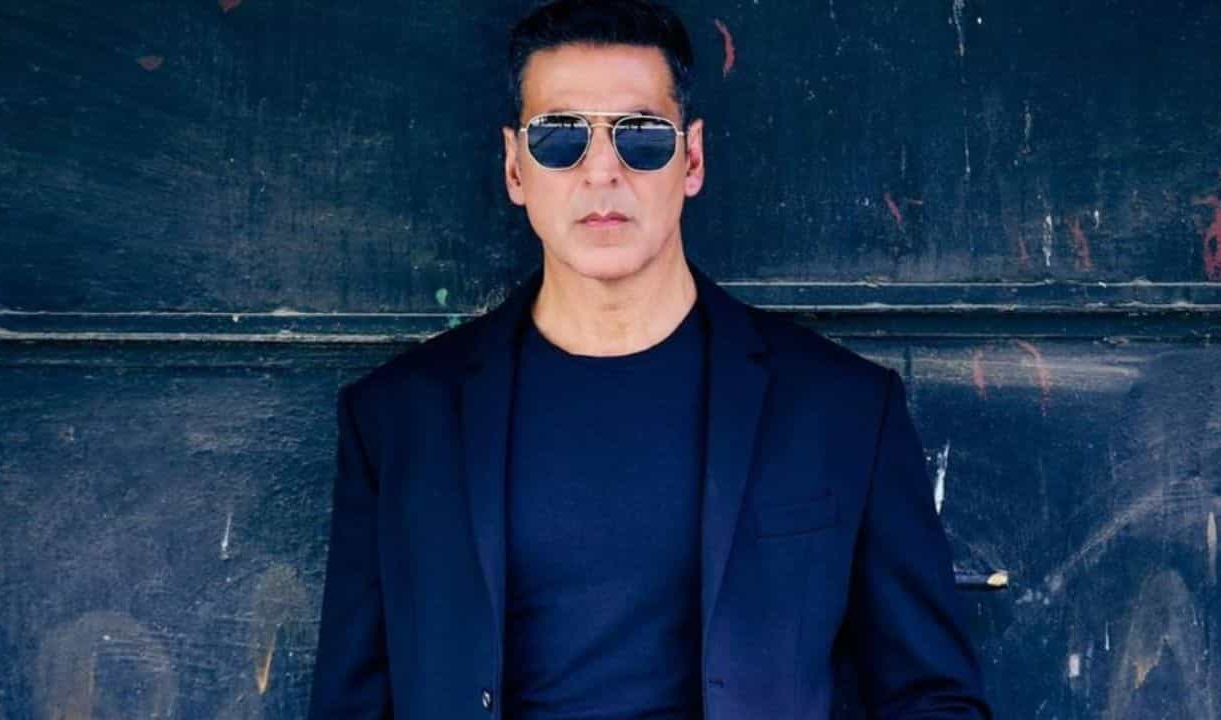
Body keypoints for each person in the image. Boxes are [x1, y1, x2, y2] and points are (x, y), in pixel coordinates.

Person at [308, 0, 992, 718]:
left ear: (691, 159)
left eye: (640, 137)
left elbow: (933, 697)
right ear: (514, 167)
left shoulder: (842, 408)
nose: (602, 172)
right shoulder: (400, 418)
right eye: (560, 137)